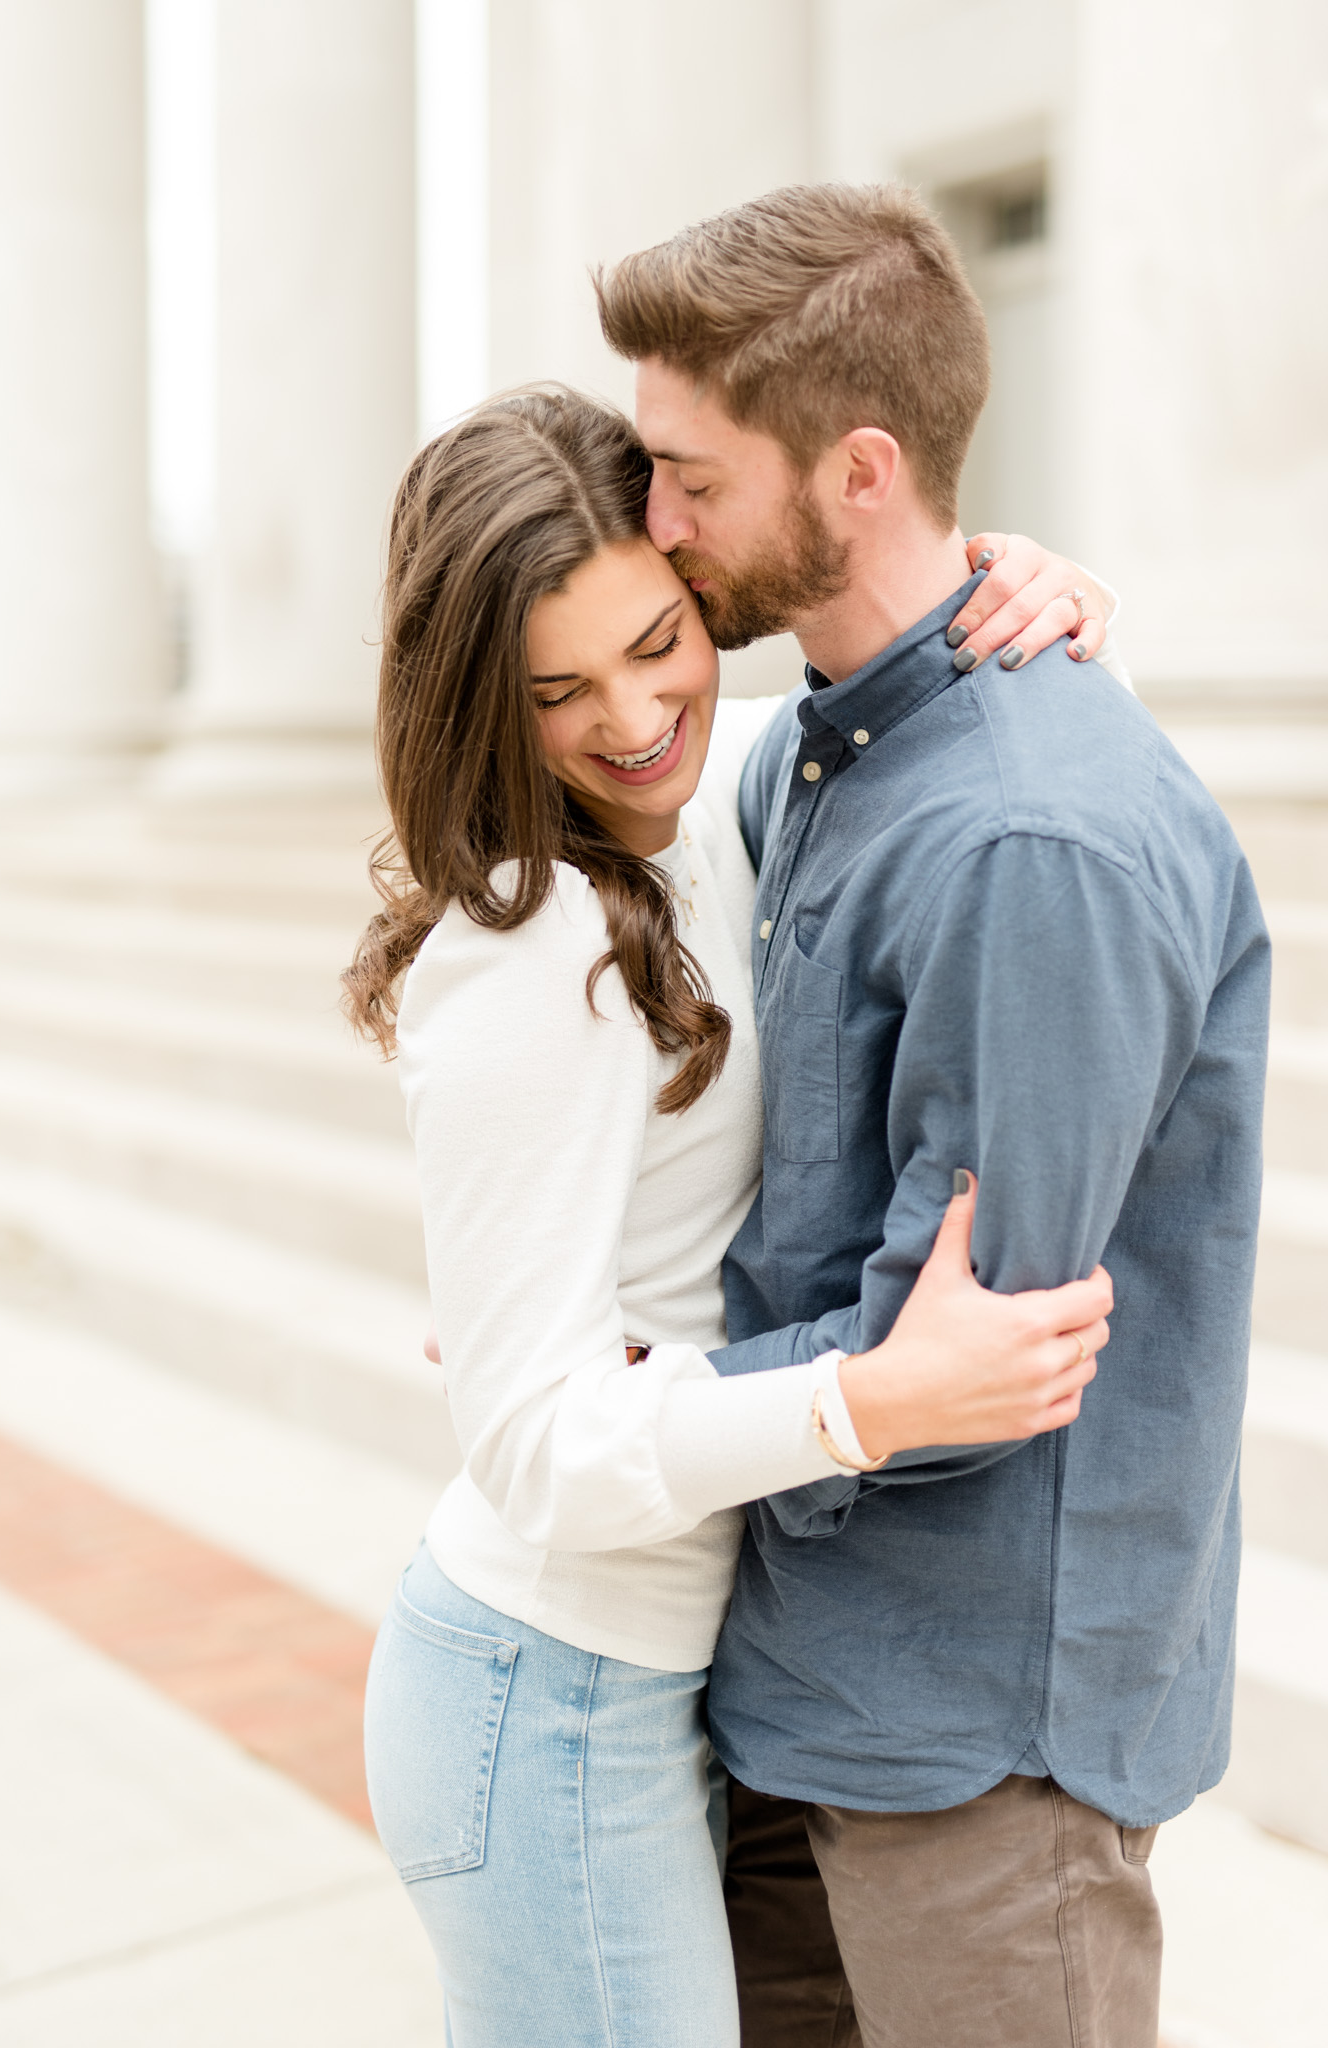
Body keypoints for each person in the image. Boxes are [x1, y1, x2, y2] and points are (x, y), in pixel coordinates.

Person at [347, 385, 1126, 2048]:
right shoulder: (532, 937)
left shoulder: (706, 814)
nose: (635, 716)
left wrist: (1019, 576)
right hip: (545, 1692)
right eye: (556, 690)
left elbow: (914, 699)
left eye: (656, 641)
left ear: (695, 583)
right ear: (481, 701)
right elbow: (534, 1447)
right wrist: (874, 1401)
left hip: (642, 1677)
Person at [595, 180, 1271, 2048]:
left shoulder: (1025, 840)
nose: (653, 528)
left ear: (861, 470)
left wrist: (604, 1406)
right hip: (799, 1686)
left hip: (980, 1756)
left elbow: (961, 1371)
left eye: (691, 480)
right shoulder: (822, 750)